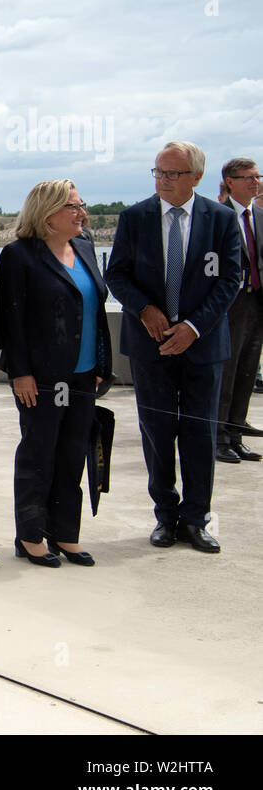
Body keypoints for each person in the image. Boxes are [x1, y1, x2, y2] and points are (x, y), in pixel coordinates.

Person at [105, 141, 239, 554]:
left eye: (172, 174)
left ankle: (196, 520)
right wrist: (145, 310)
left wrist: (194, 328)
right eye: (158, 172)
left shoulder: (220, 219)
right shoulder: (135, 218)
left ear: (196, 177)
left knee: (200, 434)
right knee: (157, 433)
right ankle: (165, 516)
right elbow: (118, 275)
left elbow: (230, 279)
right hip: (151, 348)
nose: (163, 180)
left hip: (202, 346)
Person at [0, 181, 112, 567]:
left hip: (83, 375)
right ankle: (30, 536)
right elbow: (11, 321)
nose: (83, 214)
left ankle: (65, 534)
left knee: (72, 454)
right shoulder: (19, 256)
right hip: (41, 378)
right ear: (47, 213)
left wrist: (98, 365)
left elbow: (93, 310)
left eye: (82, 205)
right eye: (74, 208)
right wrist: (20, 372)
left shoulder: (84, 247)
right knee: (39, 454)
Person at [215, 157, 263, 463]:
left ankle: (235, 435)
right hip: (229, 305)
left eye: (257, 176)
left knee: (247, 371)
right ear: (230, 181)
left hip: (256, 303)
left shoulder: (258, 214)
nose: (255, 182)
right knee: (227, 373)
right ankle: (218, 437)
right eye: (249, 177)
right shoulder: (218, 216)